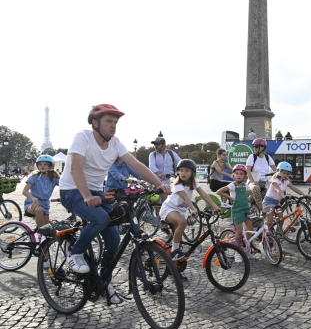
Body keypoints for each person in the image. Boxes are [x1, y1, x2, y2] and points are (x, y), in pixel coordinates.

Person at [60, 104, 171, 304]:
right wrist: (86, 195)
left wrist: (159, 184)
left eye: (115, 122)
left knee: (113, 239)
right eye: (108, 121)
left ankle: (104, 284)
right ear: (95, 123)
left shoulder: (116, 144)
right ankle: (75, 254)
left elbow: (137, 165)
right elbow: (75, 169)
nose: (113, 126)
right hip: (72, 190)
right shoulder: (82, 138)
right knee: (100, 218)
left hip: (96, 193)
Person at [160, 159, 220, 261]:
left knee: (179, 243)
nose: (183, 173)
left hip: (179, 212)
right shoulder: (177, 185)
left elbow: (203, 194)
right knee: (182, 222)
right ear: (177, 171)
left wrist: (216, 206)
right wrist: (193, 209)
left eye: (187, 170)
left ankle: (174, 267)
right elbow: (186, 198)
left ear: (192, 172)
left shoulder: (193, 182)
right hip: (168, 209)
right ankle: (174, 251)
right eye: (181, 170)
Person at [217, 165, 254, 262]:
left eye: (241, 174)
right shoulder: (232, 185)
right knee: (240, 231)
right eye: (236, 174)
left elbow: (251, 194)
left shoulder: (246, 186)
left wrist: (248, 199)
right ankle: (237, 252)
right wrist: (229, 197)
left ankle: (246, 247)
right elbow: (219, 191)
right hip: (237, 210)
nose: (238, 176)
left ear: (245, 176)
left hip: (246, 209)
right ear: (233, 175)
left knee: (250, 229)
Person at [263, 162, 308, 237]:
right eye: (284, 173)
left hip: (277, 202)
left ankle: (277, 235)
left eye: (287, 174)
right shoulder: (275, 181)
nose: (285, 175)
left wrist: (304, 194)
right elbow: (278, 190)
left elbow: (294, 188)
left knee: (281, 219)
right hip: (269, 201)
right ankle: (266, 236)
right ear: (279, 171)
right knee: (270, 222)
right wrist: (284, 196)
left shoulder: (286, 181)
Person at [22, 155, 60, 230]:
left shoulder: (54, 178)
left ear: (50, 166)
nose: (42, 166)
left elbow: (65, 186)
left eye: (45, 164)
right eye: (40, 164)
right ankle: (41, 233)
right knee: (39, 210)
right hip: (32, 203)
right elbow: (24, 191)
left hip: (45, 204)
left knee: (48, 229)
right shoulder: (34, 177)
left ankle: (42, 237)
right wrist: (34, 199)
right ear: (37, 166)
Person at [246, 138, 276, 211]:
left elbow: (275, 169)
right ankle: (261, 209)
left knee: (273, 193)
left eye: (256, 147)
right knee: (256, 188)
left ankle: (270, 210)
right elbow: (248, 172)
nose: (254, 148)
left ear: (262, 147)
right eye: (254, 147)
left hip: (265, 182)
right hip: (254, 181)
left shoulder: (267, 157)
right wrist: (252, 181)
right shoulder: (252, 157)